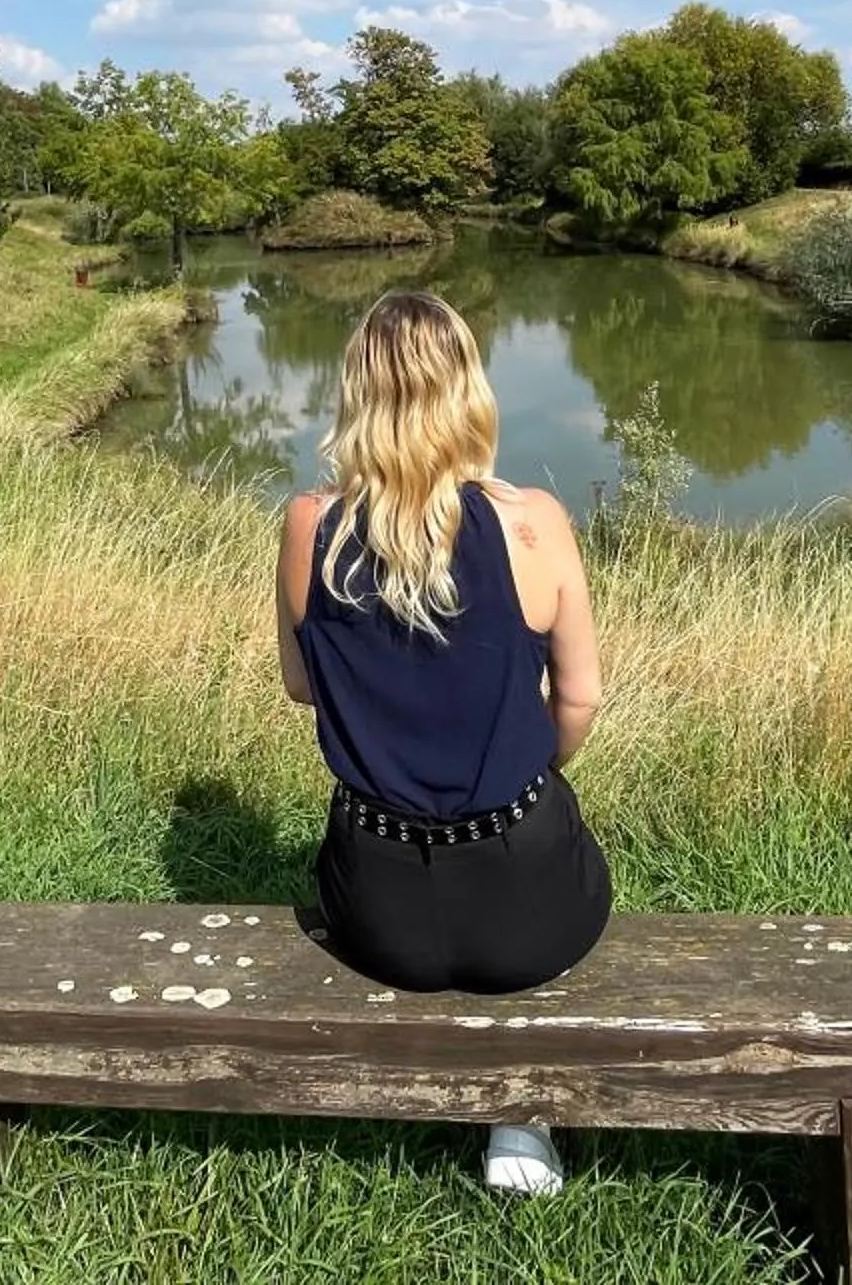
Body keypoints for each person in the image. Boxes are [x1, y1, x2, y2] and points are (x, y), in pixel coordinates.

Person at [275, 288, 611, 1195]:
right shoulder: (533, 523)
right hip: (533, 908)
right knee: (555, 832)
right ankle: (518, 1125)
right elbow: (580, 699)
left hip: (377, 912)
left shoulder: (310, 525)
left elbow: (302, 686)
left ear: (358, 393)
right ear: (468, 389)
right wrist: (533, 770)